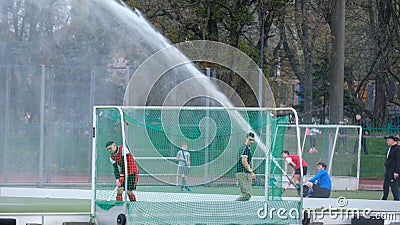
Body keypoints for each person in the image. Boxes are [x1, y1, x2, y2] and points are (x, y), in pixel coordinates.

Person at [235, 132, 256, 201]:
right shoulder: (244, 148)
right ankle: (233, 204)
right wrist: (251, 171)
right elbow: (244, 161)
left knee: (248, 195)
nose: (251, 141)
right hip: (242, 173)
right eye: (250, 139)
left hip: (246, 174)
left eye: (253, 140)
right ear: (246, 139)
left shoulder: (248, 149)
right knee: (246, 194)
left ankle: (239, 209)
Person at [381, 135, 400, 200]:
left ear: (393, 141)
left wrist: (396, 171)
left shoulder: (397, 149)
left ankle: (396, 200)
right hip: (388, 169)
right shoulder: (391, 148)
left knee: (393, 186)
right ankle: (384, 198)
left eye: (388, 140)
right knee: (385, 185)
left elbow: (398, 161)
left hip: (393, 170)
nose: (387, 142)